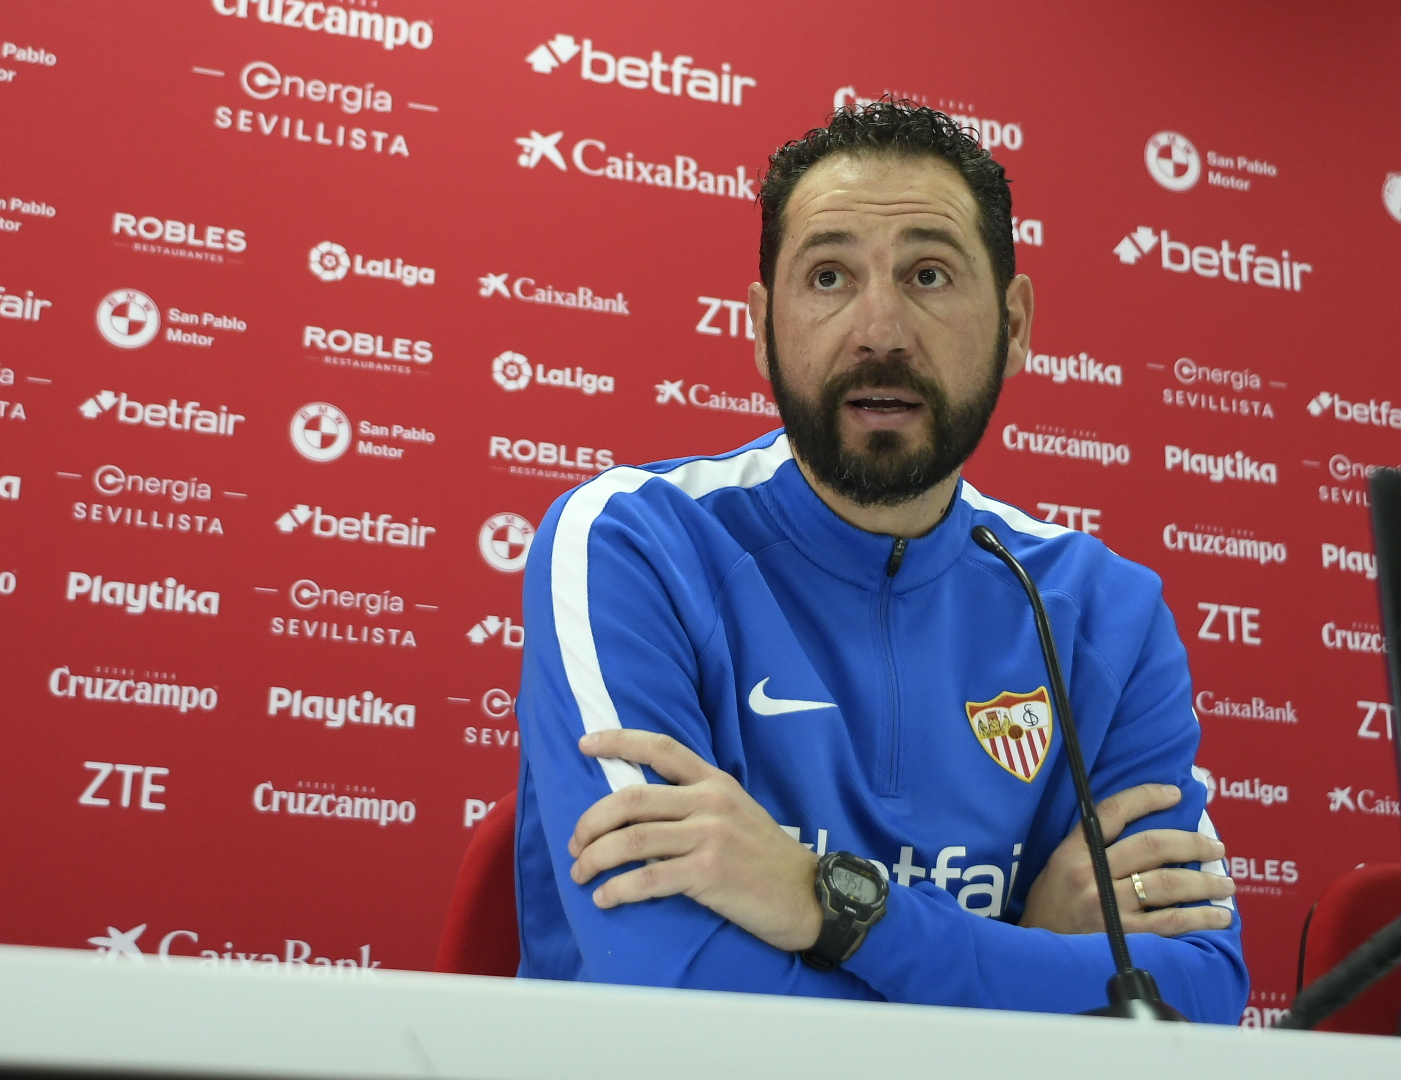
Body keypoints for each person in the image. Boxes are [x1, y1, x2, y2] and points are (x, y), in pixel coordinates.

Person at [512, 100, 1247, 1022]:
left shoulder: (1108, 612)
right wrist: (1027, 947)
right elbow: (678, 979)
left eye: (930, 274)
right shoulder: (634, 544)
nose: (881, 330)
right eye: (827, 276)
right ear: (761, 324)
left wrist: (834, 907)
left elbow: (1197, 998)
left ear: (1016, 324)